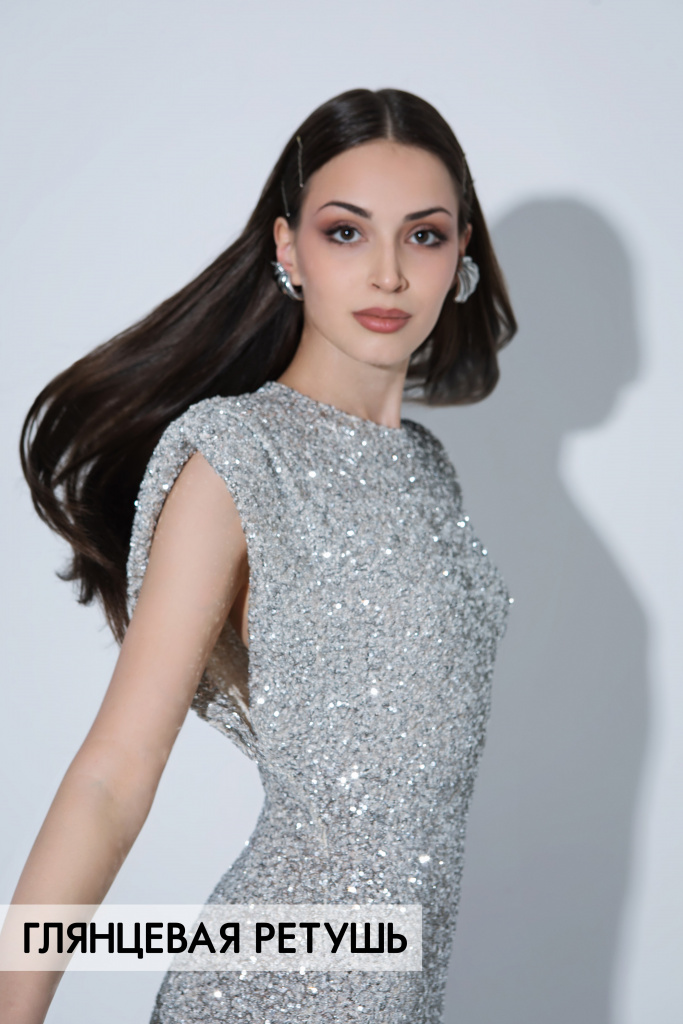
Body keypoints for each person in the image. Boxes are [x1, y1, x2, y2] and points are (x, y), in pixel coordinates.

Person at [1, 87, 517, 1023]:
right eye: (346, 232)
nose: (389, 274)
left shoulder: (429, 472)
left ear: (462, 254)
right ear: (288, 249)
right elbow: (114, 773)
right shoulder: (238, 455)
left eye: (423, 235)